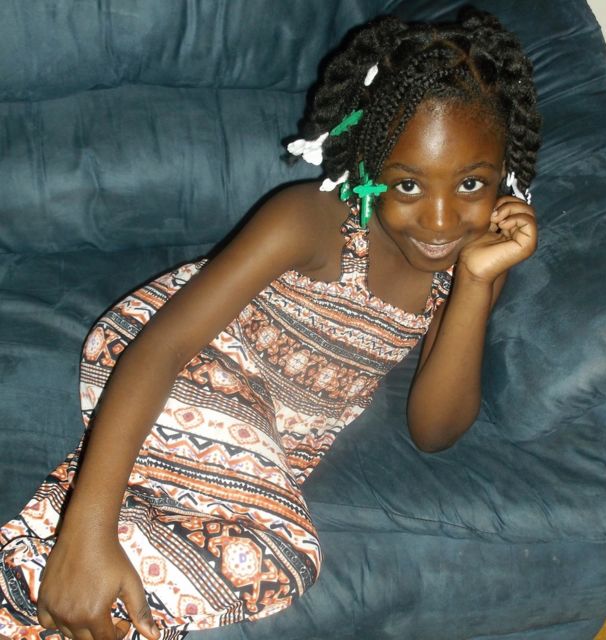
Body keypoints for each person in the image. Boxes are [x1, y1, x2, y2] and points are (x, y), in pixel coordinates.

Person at [0, 7, 541, 640]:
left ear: (505, 174)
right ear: (368, 164)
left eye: (471, 184)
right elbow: (166, 345)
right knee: (292, 547)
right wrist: (86, 529)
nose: (442, 221)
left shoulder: (475, 259)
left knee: (264, 561)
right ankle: (57, 560)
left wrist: (475, 284)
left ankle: (68, 601)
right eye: (407, 186)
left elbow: (434, 430)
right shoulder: (310, 220)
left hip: (268, 436)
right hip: (196, 363)